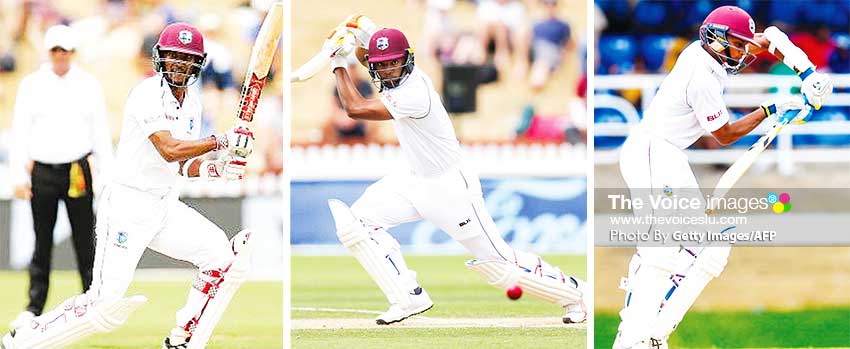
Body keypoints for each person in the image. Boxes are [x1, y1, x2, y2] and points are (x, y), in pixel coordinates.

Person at [2, 22, 256, 349]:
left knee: (220, 255)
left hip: (164, 205)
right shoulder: (146, 93)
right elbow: (168, 148)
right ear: (160, 57)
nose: (179, 64)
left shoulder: (191, 102)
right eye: (173, 56)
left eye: (187, 58)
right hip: (128, 206)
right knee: (105, 304)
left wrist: (217, 168)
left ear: (198, 63)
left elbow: (183, 164)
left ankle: (182, 339)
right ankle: (24, 339)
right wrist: (220, 140)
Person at [324, 26, 587, 325]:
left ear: (407, 59)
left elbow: (355, 107)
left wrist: (337, 61)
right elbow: (368, 56)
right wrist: (359, 38)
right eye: (381, 65)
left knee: (499, 263)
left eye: (393, 62)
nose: (387, 70)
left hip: (449, 187)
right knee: (356, 223)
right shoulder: (392, 79)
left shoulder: (413, 91)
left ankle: (577, 295)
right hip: (412, 179)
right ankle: (407, 296)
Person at [613, 6, 832, 349]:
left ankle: (656, 333)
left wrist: (807, 73)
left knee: (713, 246)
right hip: (653, 154)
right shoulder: (700, 74)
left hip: (667, 156)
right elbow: (724, 135)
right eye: (738, 44)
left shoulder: (717, 48)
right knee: (660, 251)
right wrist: (772, 110)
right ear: (717, 39)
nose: (745, 51)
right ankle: (633, 337)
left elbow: (769, 38)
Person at [8, 24, 114, 330]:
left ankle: (93, 301)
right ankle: (34, 306)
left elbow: (101, 133)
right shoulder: (31, 85)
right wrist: (18, 174)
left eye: (65, 50)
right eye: (55, 50)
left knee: (85, 238)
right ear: (48, 52)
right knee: (41, 240)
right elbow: (21, 130)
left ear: (73, 52)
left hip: (76, 170)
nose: (60, 56)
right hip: (42, 170)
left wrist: (106, 175)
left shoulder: (88, 84)